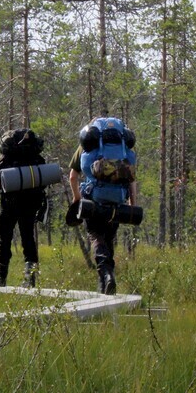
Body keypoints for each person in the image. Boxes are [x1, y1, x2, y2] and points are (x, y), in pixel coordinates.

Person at [69, 116, 138, 295]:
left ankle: (106, 275)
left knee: (95, 236)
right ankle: (106, 285)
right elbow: (131, 179)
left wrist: (77, 199)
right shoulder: (123, 149)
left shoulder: (86, 147)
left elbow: (72, 177)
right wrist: (132, 204)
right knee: (108, 239)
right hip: (117, 200)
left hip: (94, 198)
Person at [0, 129, 47, 288]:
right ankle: (30, 278)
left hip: (9, 204)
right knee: (28, 239)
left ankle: (1, 277)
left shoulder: (2, 159)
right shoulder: (37, 158)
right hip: (30, 204)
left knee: (5, 240)